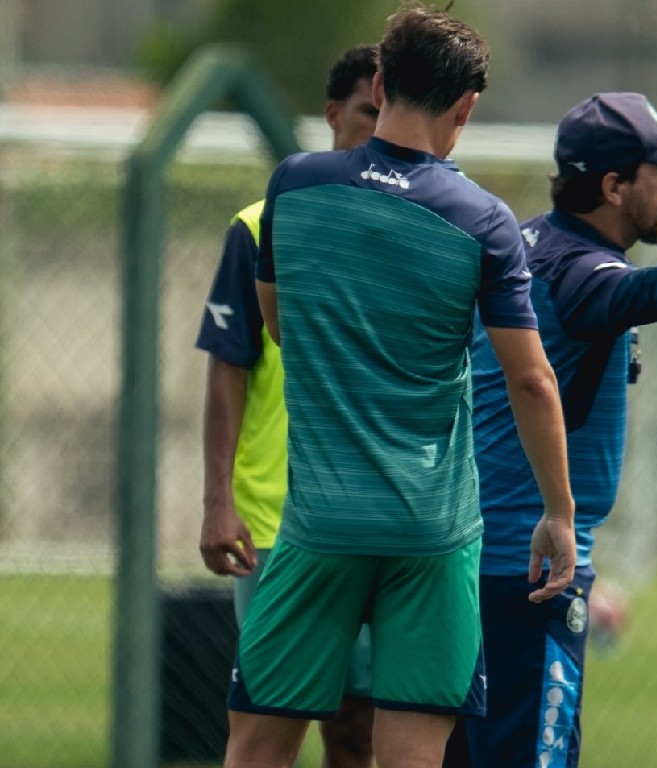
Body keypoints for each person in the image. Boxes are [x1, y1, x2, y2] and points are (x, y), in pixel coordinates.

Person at [224, 6, 577, 768]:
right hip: (431, 532)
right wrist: (558, 511)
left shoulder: (295, 184)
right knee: (413, 754)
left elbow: (279, 324)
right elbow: (530, 378)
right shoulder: (484, 221)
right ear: (466, 107)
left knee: (257, 747)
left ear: (379, 85)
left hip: (319, 526)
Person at [448, 91, 657, 768]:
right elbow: (636, 292)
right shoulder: (581, 271)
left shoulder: (521, 244)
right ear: (615, 187)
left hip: (464, 558)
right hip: (532, 568)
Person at [195, 43, 379, 768]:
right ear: (332, 114)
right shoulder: (260, 225)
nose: (381, 127)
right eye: (368, 111)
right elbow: (228, 368)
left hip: (384, 518)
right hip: (277, 522)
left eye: (392, 112)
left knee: (362, 727)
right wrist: (218, 501)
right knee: (271, 720)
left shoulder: (424, 225)